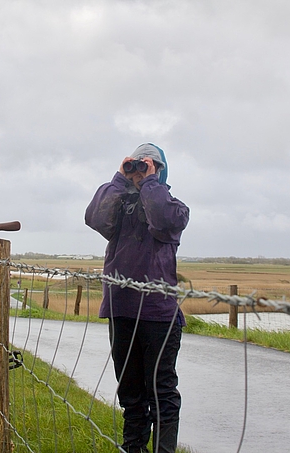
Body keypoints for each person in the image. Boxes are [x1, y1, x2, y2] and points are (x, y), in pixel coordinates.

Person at [85, 143, 190, 453]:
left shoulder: (174, 208)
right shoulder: (119, 208)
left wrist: (150, 182)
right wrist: (119, 178)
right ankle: (133, 448)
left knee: (161, 391)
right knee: (130, 392)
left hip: (159, 314)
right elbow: (95, 217)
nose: (138, 173)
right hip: (121, 310)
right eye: (135, 167)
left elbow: (161, 219)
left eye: (148, 166)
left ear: (160, 170)